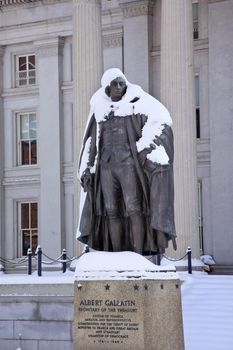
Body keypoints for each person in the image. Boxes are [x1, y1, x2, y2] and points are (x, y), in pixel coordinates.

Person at [77, 68, 176, 255]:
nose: (119, 87)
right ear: (107, 87)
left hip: (128, 165)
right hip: (106, 167)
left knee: (134, 208)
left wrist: (145, 148)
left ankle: (138, 255)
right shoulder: (99, 108)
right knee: (111, 210)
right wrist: (87, 169)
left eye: (121, 83)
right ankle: (116, 254)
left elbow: (161, 122)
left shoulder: (138, 103)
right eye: (114, 84)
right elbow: (91, 142)